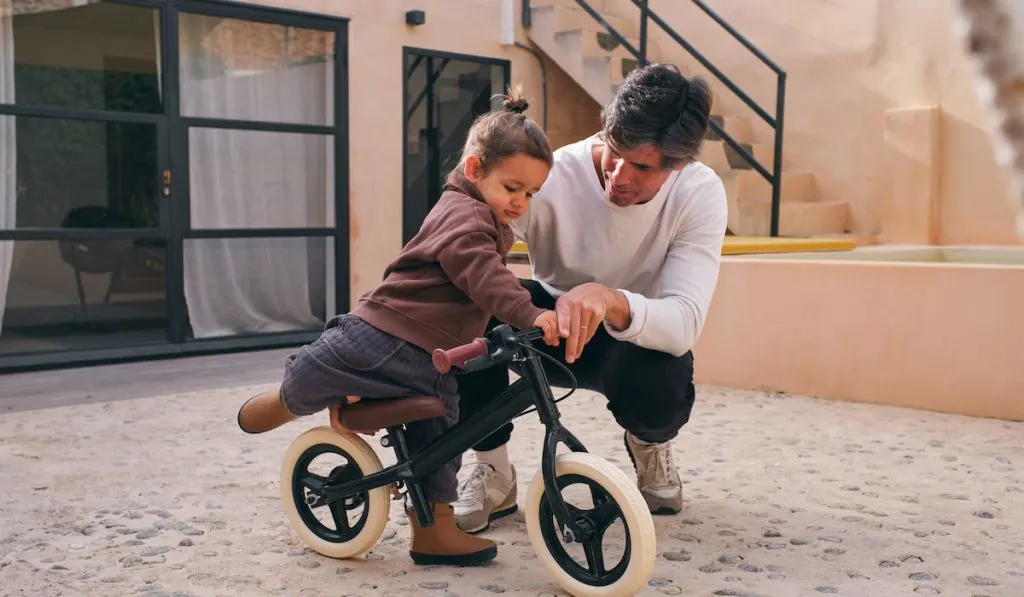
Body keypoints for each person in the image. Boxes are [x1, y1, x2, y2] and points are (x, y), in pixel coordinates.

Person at [235, 88, 560, 567]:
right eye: (513, 188)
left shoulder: (483, 213)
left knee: (443, 436)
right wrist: (530, 312)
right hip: (389, 333)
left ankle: (433, 528)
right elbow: (484, 276)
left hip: (432, 355)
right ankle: (287, 396)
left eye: (531, 193)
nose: (521, 202)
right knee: (329, 363)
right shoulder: (465, 216)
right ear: (475, 170)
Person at [451, 63, 728, 534]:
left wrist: (608, 298)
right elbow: (466, 241)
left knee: (663, 381)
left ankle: (649, 445)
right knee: (467, 305)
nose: (618, 176)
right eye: (614, 152)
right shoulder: (553, 173)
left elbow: (684, 321)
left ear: (678, 165)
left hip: (632, 340)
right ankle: (493, 468)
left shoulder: (699, 193)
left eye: (641, 167)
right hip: (546, 325)